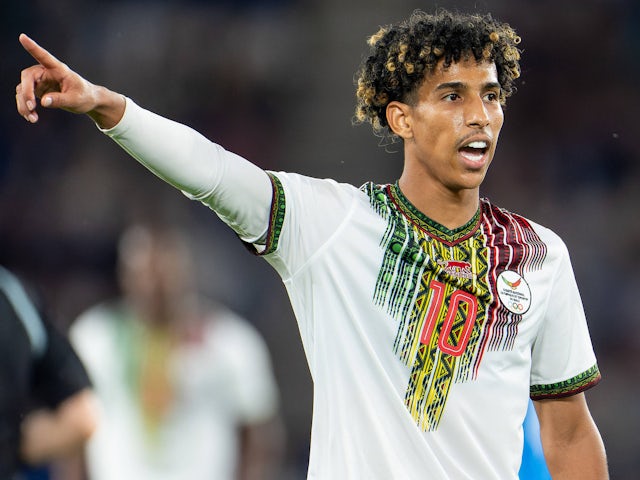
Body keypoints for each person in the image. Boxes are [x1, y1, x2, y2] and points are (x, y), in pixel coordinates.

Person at [15, 8, 609, 479]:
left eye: (492, 94)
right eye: (453, 95)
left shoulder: (537, 255)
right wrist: (108, 107)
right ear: (401, 119)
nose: (480, 114)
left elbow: (569, 432)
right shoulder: (329, 225)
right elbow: (213, 172)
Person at [68, 223, 282, 480]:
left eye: (164, 273)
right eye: (143, 274)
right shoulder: (93, 338)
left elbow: (258, 438)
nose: (154, 286)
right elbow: (72, 437)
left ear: (186, 273)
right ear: (124, 276)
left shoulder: (230, 342)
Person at [0, 265, 98, 480]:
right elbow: (83, 417)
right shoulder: (13, 295)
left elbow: (82, 417)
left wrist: (11, 445)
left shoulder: (14, 298)